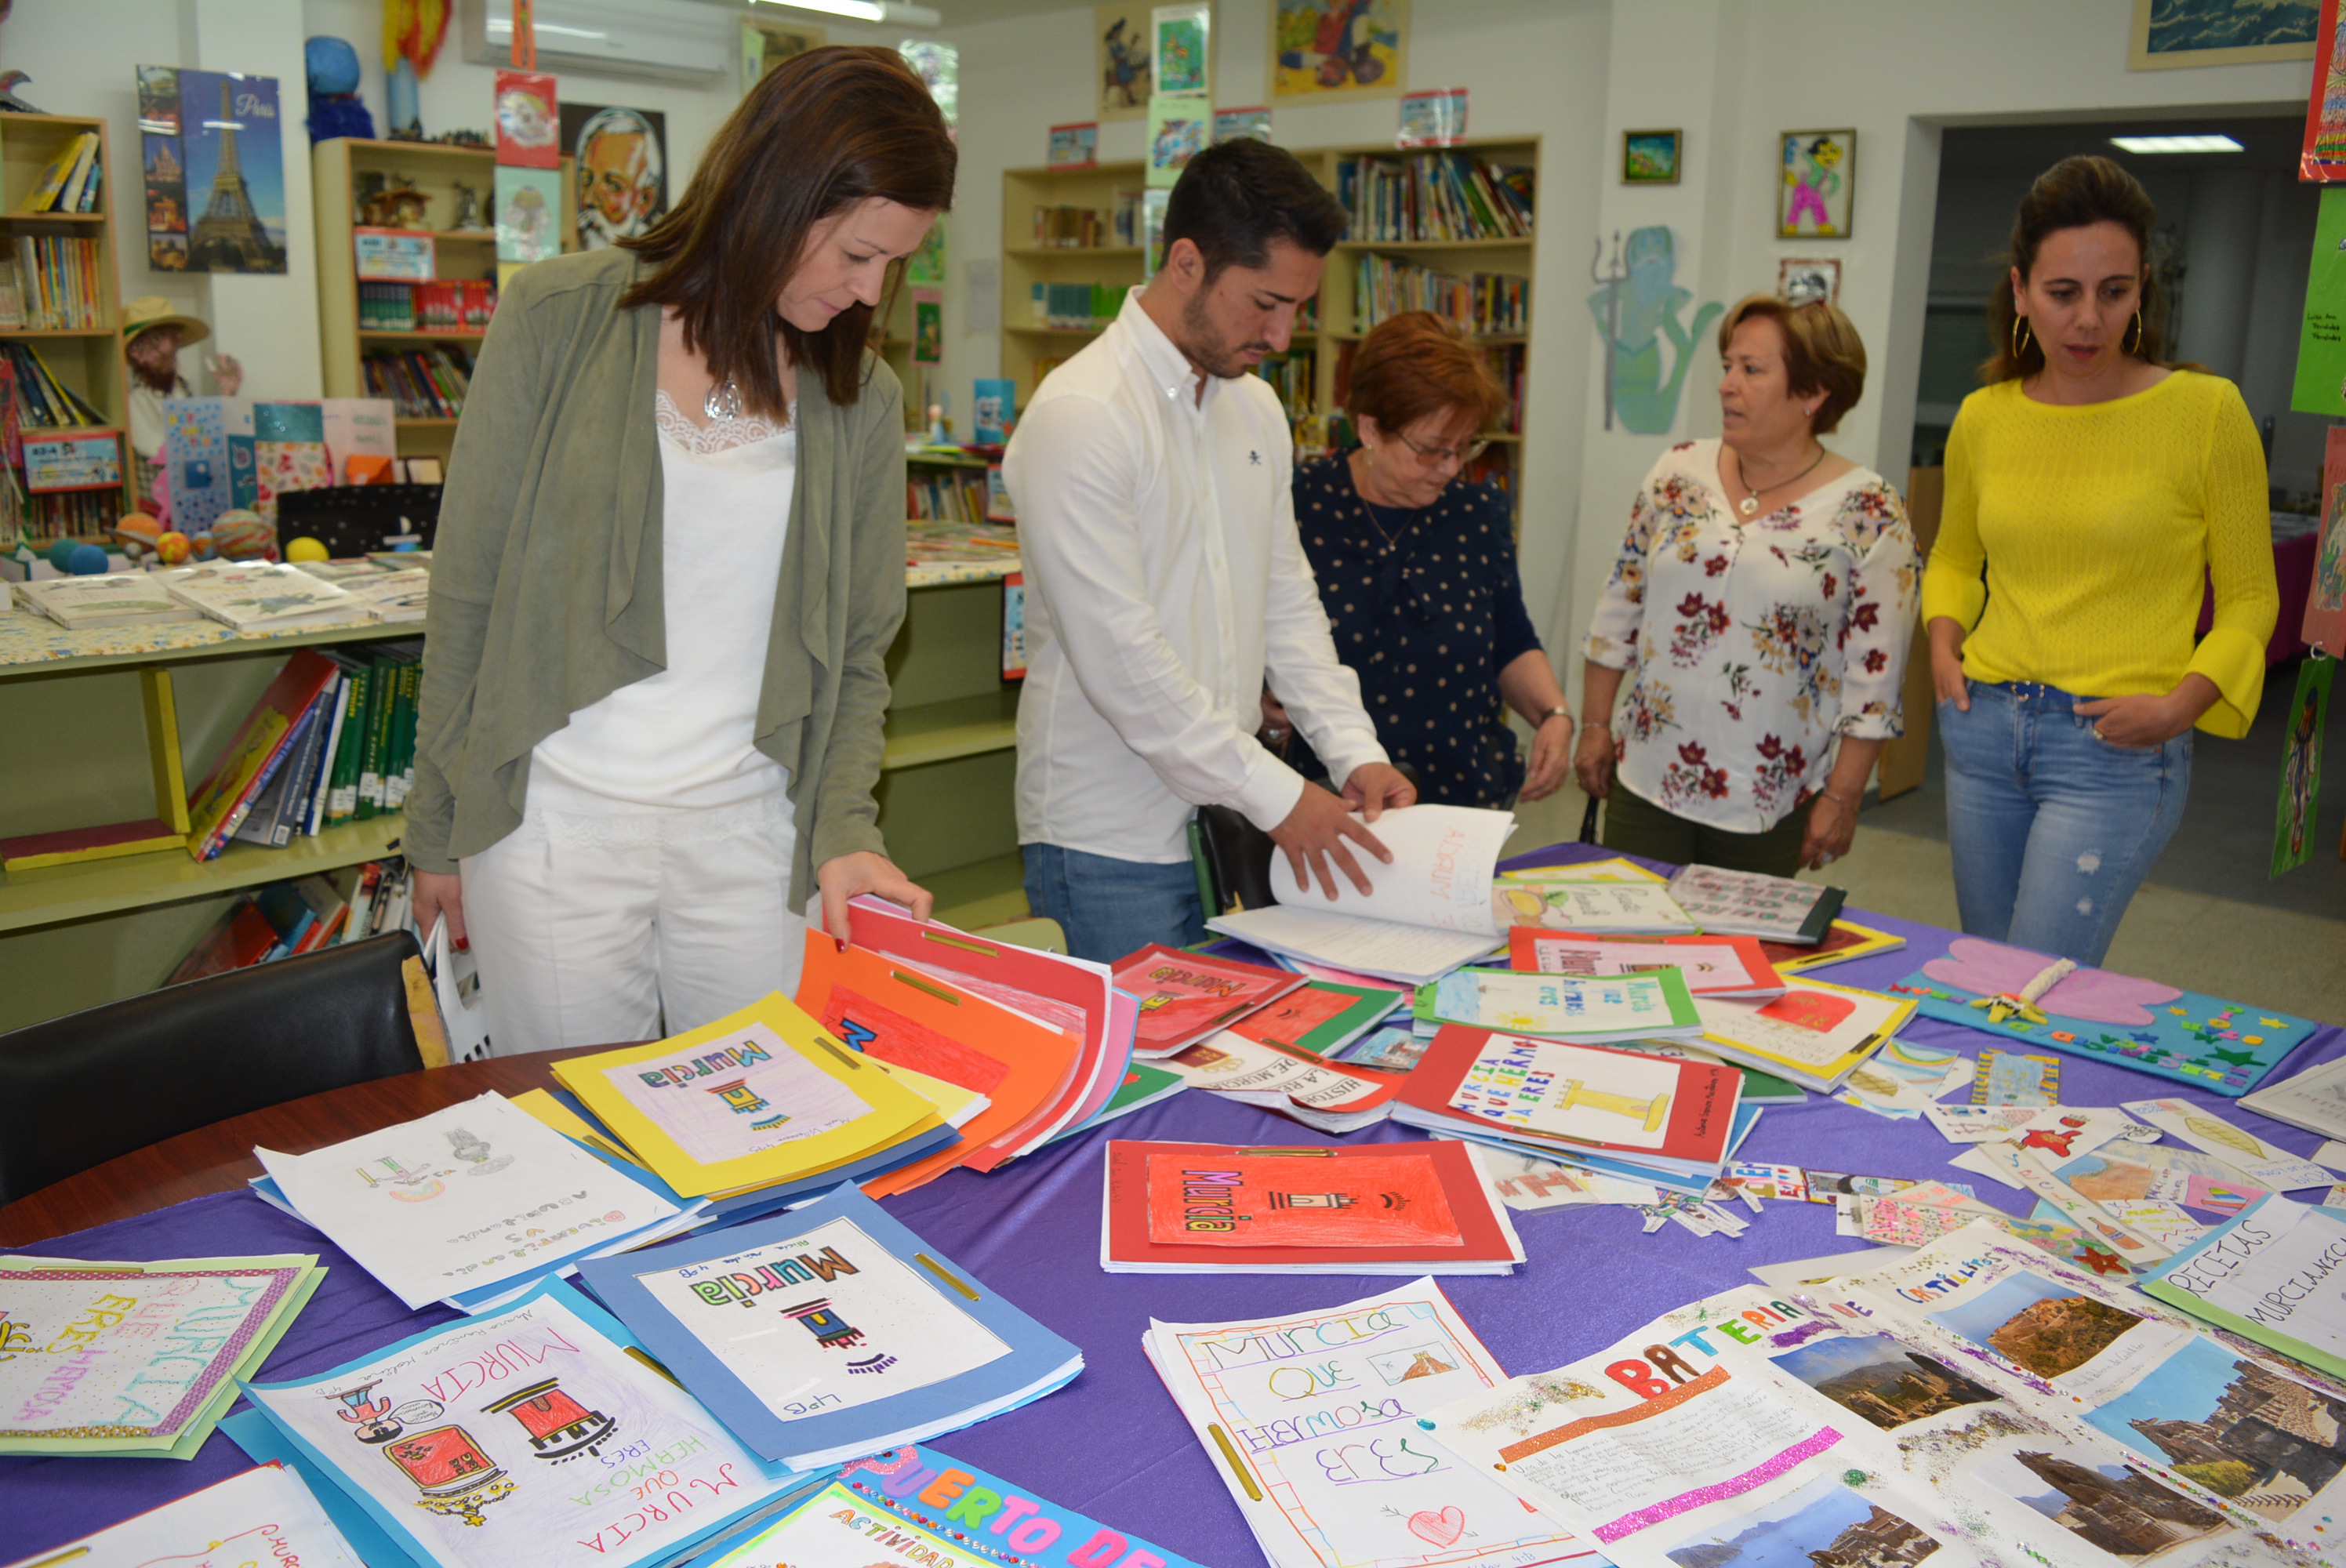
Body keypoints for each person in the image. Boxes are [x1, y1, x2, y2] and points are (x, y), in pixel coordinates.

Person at [407, 47, 953, 1055]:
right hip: (552, 832)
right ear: (781, 196)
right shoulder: (560, 316)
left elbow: (862, 649)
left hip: (754, 837)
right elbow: (468, 592)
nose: (870, 292)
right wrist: (437, 822)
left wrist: (846, 829)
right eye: (857, 254)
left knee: (765, 1141)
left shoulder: (858, 399)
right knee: (582, 1145)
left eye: (893, 263)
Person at [1004, 138, 1415, 964]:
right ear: (1186, 262)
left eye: (1298, 306)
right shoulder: (1083, 414)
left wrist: (1353, 750)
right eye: (1264, 302)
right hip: (1108, 837)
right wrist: (1281, 794)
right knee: (1140, 1082)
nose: (1281, 332)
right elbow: (1123, 662)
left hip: (1227, 816)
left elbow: (1286, 602)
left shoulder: (1254, 410)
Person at [1924, 155, 2276, 966]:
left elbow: (2252, 596)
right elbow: (1953, 554)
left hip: (2112, 748)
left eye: (2113, 291)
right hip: (1982, 730)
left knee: (2037, 989)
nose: (2087, 318)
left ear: (2142, 288)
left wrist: (2182, 705)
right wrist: (1943, 643)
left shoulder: (2205, 412)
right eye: (2062, 293)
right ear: (2019, 292)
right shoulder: (1984, 416)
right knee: (1985, 974)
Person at [1575, 294, 1916, 876]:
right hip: (1647, 772)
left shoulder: (1869, 509)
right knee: (1630, 948)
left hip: (1770, 797)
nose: (1726, 385)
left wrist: (1843, 795)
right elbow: (1620, 602)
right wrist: (1595, 724)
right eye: (1727, 366)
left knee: (1738, 962)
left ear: (1813, 393)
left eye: (1751, 370)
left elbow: (1876, 678)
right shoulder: (1677, 471)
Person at [1269, 310, 1571, 808]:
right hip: (1332, 801)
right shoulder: (1297, 511)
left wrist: (1554, 715)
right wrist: (1265, 709)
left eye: (1463, 448)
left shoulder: (1475, 514)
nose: (1450, 469)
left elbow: (1509, 637)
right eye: (1431, 450)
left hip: (1464, 795)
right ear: (1370, 428)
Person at [120, 296, 240, 512]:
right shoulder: (138, 397)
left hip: (190, 501)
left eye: (158, 339)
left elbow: (198, 435)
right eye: (138, 345)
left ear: (176, 339)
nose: (151, 352)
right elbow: (172, 449)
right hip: (158, 507)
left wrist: (228, 395)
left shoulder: (181, 386)